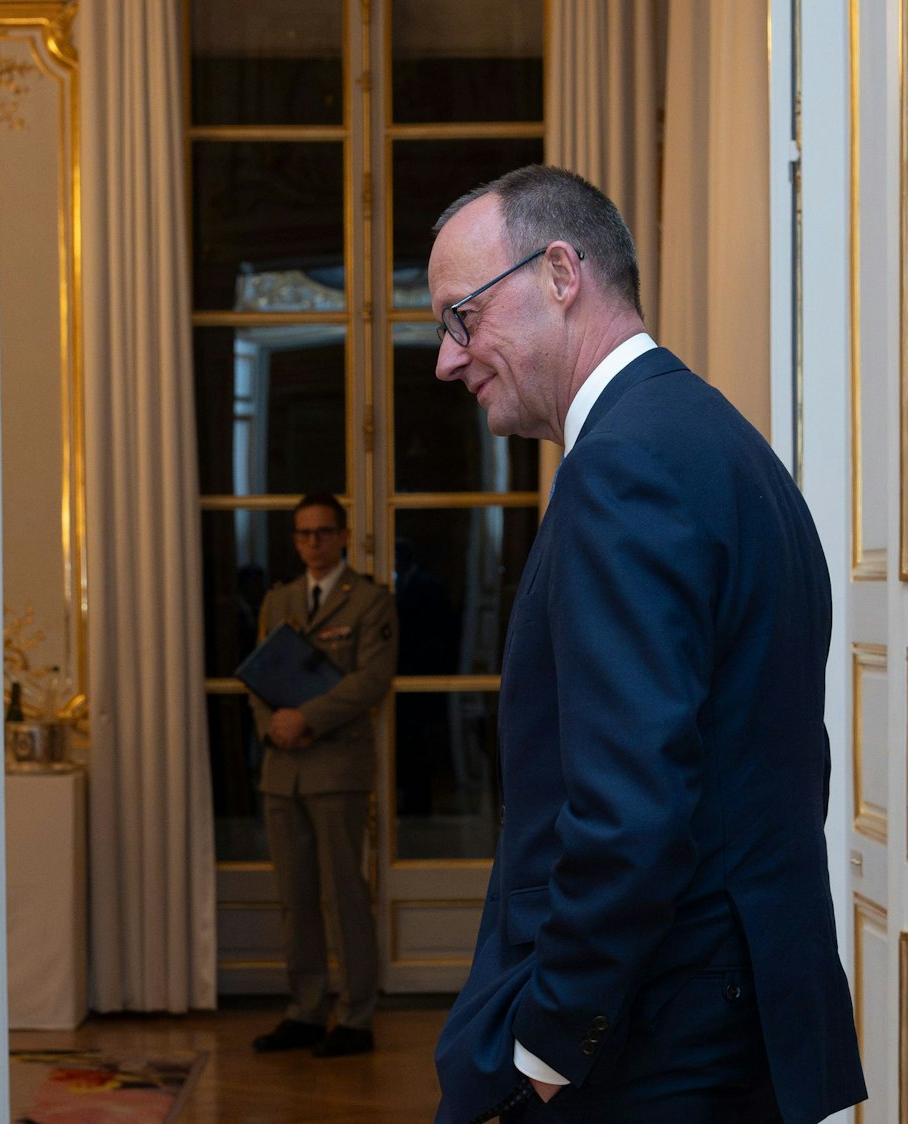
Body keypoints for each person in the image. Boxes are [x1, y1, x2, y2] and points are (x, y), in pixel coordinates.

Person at [425, 166, 865, 1124]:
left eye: (461, 318)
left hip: (654, 1039)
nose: (447, 361)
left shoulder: (623, 465)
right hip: (737, 1008)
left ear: (558, 273)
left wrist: (545, 1046)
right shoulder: (715, 439)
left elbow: (631, 808)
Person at [247, 493, 397, 1059]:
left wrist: (305, 717)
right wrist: (276, 727)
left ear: (341, 536)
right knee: (295, 897)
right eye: (303, 534)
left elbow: (371, 679)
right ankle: (305, 1010)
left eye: (322, 533)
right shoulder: (279, 600)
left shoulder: (370, 601)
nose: (312, 543)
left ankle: (356, 1016)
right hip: (282, 770)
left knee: (344, 895)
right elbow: (257, 676)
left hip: (336, 768)